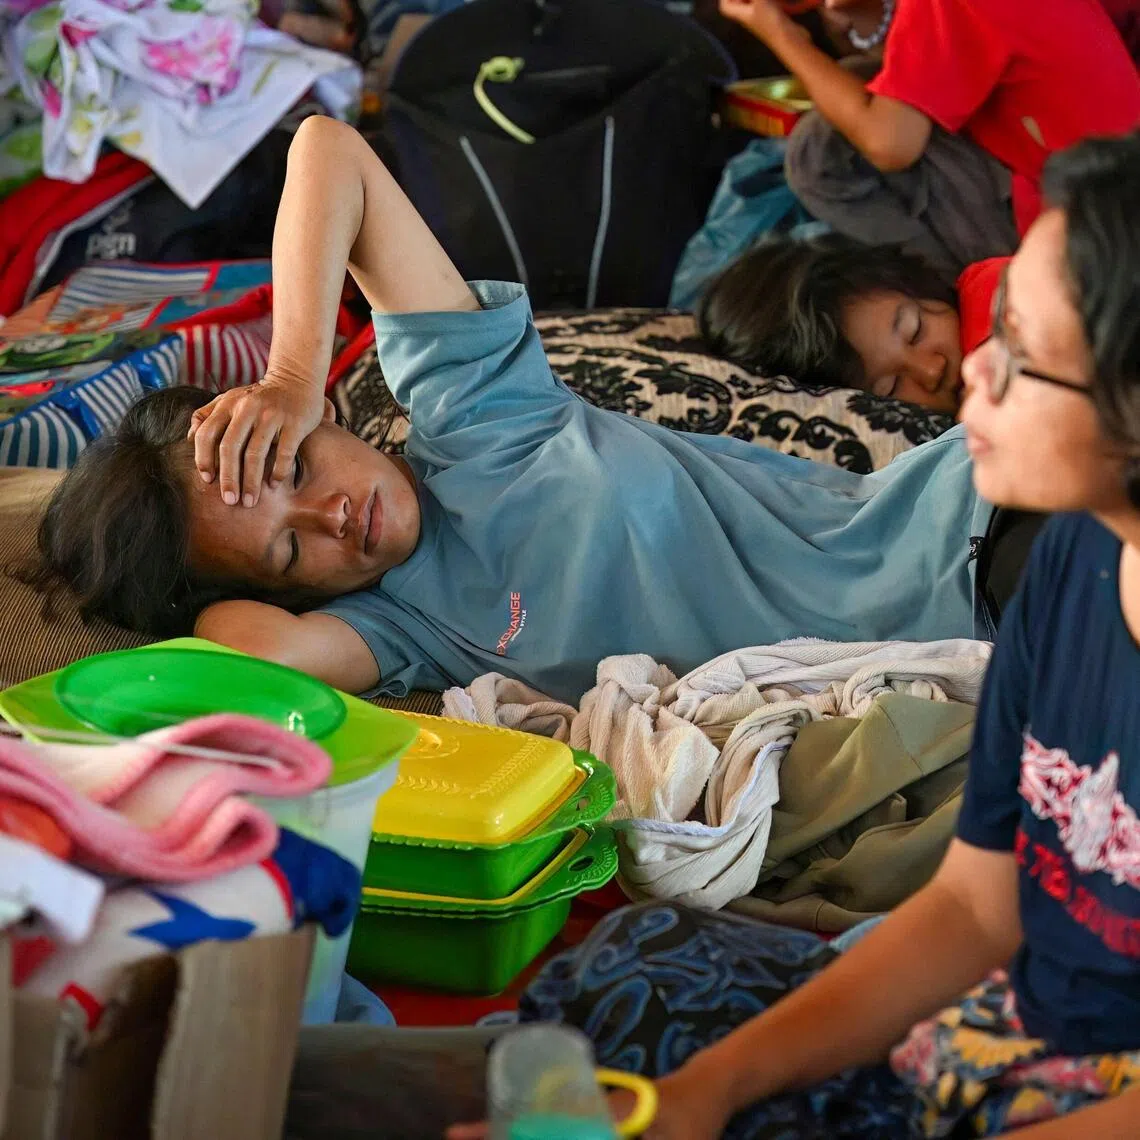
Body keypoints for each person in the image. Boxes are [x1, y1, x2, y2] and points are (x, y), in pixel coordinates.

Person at [449, 131, 1140, 1140]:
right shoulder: (1082, 559)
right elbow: (977, 908)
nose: (974, 370)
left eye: (1029, 357)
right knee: (630, 978)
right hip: (1010, 1019)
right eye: (997, 329)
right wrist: (706, 1095)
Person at [36, 117, 994, 705]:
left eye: (293, 466)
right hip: (963, 655)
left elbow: (329, 152)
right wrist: (212, 565)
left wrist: (289, 375)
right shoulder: (404, 630)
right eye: (292, 551)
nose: (332, 516)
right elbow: (250, 652)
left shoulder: (475, 415)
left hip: (959, 529)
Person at [718, 0, 1140, 284]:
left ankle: (945, 299)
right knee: (858, 84)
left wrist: (778, 33)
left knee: (820, 149)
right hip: (1109, 191)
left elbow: (889, 144)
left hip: (1081, 234)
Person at [698, 232, 1004, 410]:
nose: (932, 369)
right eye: (889, 386)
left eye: (915, 330)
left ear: (918, 282)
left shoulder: (997, 292)